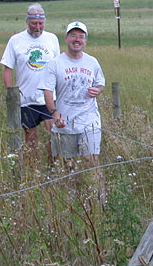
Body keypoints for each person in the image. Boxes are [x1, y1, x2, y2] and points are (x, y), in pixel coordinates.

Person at [39, 21, 106, 200]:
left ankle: (99, 199)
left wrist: (97, 90)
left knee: (91, 160)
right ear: (66, 38)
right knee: (68, 166)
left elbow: (100, 83)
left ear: (85, 40)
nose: (77, 40)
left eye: (81, 37)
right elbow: (47, 91)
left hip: (89, 122)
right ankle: (72, 201)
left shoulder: (92, 62)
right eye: (73, 36)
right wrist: (54, 114)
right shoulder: (55, 64)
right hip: (64, 124)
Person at [0, 3, 60, 162]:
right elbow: (7, 68)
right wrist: (11, 93)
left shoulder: (52, 39)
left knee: (53, 135)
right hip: (26, 99)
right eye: (34, 23)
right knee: (31, 139)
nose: (37, 27)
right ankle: (34, 169)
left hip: (48, 97)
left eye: (40, 23)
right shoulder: (15, 40)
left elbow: (58, 67)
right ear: (27, 21)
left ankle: (52, 168)